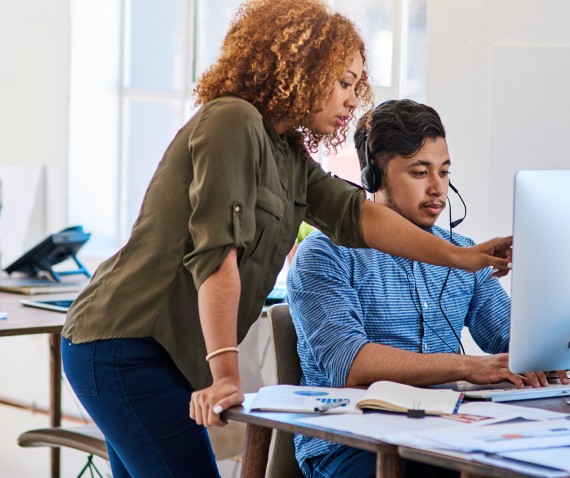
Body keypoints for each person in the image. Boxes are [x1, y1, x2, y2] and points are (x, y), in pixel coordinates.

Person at [60, 1, 512, 475]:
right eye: (343, 82)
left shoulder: (287, 153)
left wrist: (461, 257)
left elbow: (358, 215)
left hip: (157, 350)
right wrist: (227, 377)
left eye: (357, 86)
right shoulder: (232, 122)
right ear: (300, 68)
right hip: (125, 346)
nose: (353, 100)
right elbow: (216, 256)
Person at [286, 99, 569, 478]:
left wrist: (550, 333)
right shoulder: (324, 254)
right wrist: (470, 366)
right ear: (374, 178)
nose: (438, 189)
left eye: (445, 171)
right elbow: (351, 365)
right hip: (350, 440)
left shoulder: (463, 254)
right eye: (420, 173)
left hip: (445, 431)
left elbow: (511, 340)